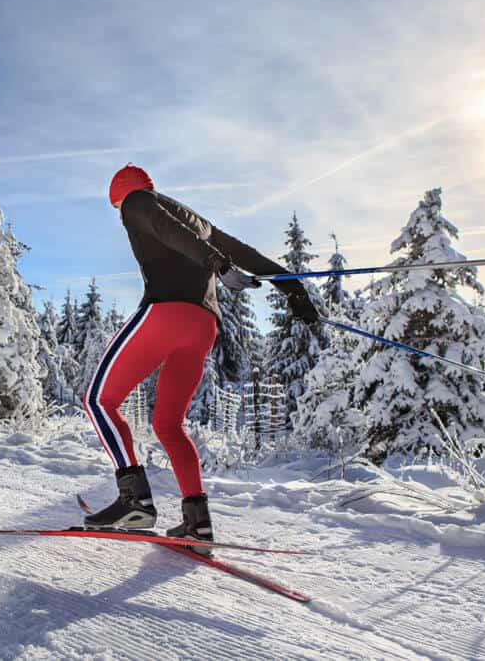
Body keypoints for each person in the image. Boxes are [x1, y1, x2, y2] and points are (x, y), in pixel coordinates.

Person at [82, 164, 320, 551]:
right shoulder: (198, 222)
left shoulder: (137, 203)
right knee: (168, 424)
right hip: (203, 327)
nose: (121, 217)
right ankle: (197, 522)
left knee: (99, 401)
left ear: (119, 196)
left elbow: (163, 229)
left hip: (166, 313)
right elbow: (247, 253)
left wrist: (219, 265)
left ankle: (134, 501)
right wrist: (291, 286)